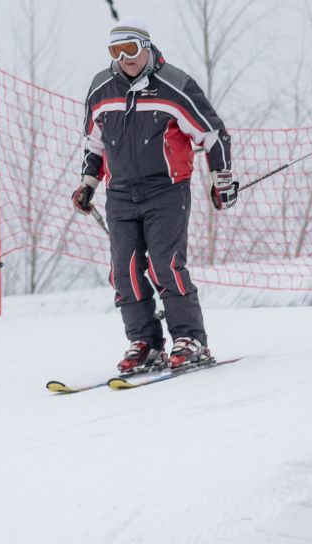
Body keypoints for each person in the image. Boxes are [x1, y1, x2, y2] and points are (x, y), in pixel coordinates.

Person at [71, 21, 236, 376]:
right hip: (120, 194)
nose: (125, 58)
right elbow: (96, 144)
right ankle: (145, 343)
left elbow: (213, 134)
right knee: (124, 271)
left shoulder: (175, 85)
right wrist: (88, 183)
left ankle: (190, 339)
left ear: (147, 46)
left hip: (166, 190)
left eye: (131, 49)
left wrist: (222, 179)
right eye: (116, 51)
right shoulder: (102, 89)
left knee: (166, 264)